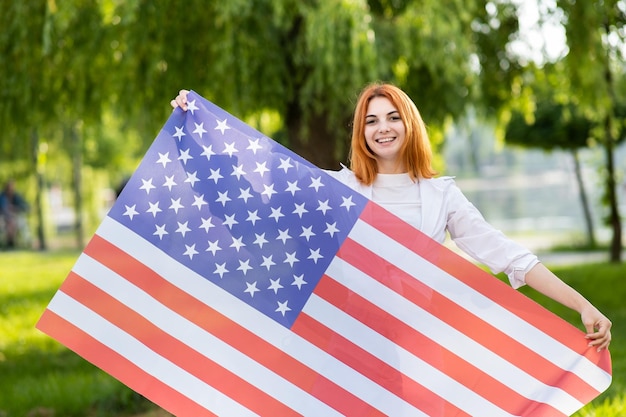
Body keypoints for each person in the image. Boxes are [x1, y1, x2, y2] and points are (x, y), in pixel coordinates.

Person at [170, 83, 611, 351]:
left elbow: (510, 256)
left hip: (421, 343)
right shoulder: (339, 189)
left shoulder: (442, 196)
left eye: (393, 117)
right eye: (371, 120)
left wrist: (583, 304)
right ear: (360, 131)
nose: (383, 127)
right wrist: (196, 131)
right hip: (346, 344)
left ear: (409, 125)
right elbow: (255, 206)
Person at [0, 179, 29, 249]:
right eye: (10, 187)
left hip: (15, 217)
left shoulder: (16, 196)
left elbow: (25, 206)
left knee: (20, 222)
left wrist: (16, 208)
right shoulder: (2, 197)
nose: (11, 189)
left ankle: (25, 243)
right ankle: (10, 244)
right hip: (4, 217)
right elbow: (3, 208)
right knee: (9, 224)